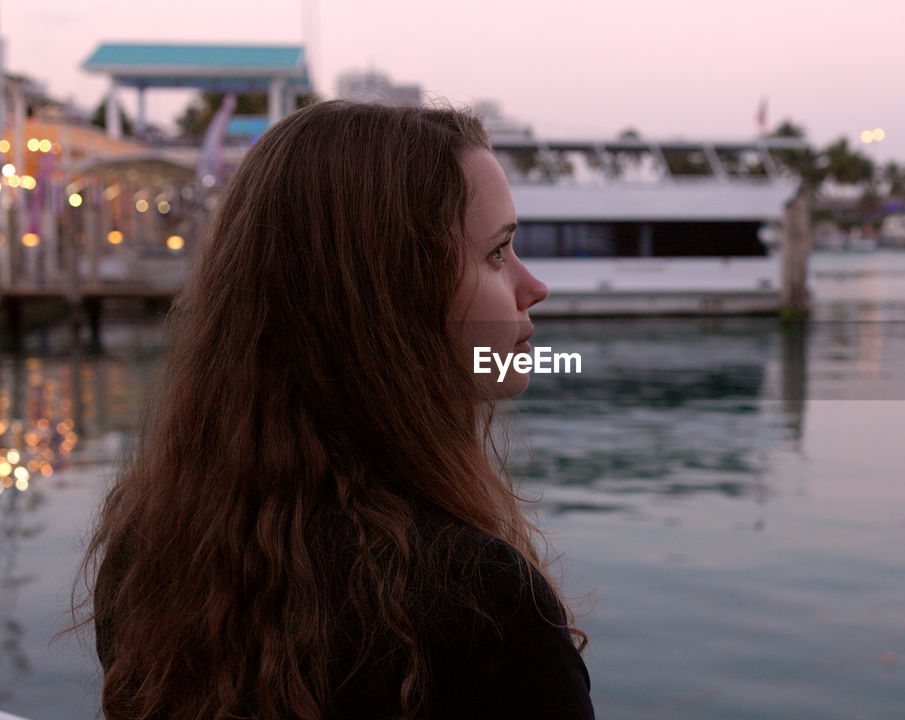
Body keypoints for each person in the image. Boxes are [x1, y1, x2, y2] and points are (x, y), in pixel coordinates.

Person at [76, 100, 592, 719]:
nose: (534, 286)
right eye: (496, 253)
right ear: (394, 296)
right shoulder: (481, 602)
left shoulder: (147, 554)